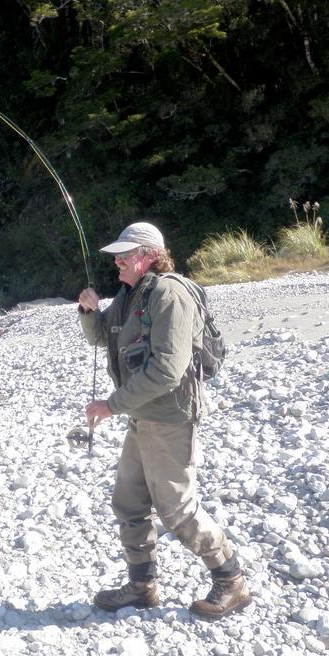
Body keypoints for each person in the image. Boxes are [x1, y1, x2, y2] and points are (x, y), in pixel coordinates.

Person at [77, 221, 251, 620]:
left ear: (149, 256)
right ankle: (142, 587)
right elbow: (102, 337)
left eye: (124, 256)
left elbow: (168, 371)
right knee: (129, 501)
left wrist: (111, 404)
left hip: (170, 418)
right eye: (116, 256)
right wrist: (90, 312)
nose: (117, 263)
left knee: (177, 509)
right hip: (141, 417)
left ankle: (232, 581)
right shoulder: (130, 294)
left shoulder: (169, 294)